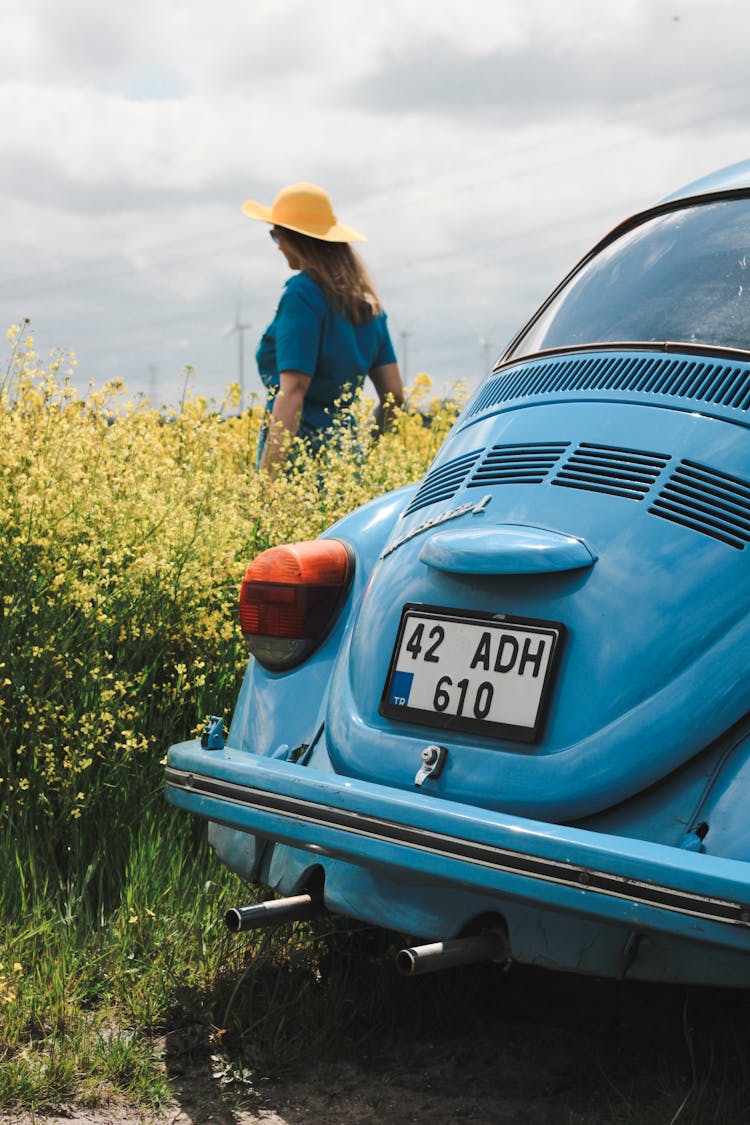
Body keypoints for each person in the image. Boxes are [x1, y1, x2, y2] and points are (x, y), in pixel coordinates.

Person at [242, 182, 404, 473]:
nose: (278, 246)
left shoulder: (301, 294)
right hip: (345, 462)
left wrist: (266, 484)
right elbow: (395, 396)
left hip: (297, 463)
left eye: (276, 236)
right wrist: (360, 448)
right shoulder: (367, 304)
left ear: (296, 239)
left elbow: (293, 391)